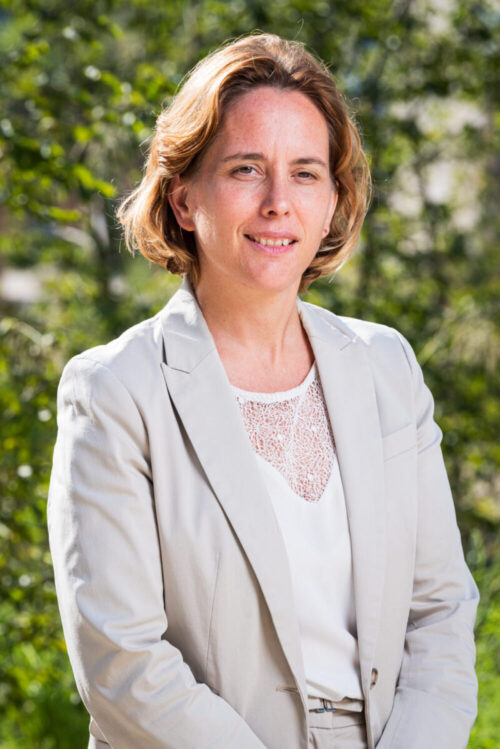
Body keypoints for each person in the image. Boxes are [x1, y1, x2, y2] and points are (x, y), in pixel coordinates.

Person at [47, 33, 479, 749]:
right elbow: (122, 662)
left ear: (334, 199)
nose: (280, 202)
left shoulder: (387, 369)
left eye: (306, 173)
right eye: (247, 169)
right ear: (184, 197)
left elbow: (439, 611)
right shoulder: (115, 392)